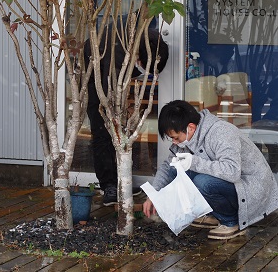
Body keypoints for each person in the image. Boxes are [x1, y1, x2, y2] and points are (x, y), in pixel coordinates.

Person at [143, 100, 278, 240]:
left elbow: (232, 172)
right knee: (175, 169)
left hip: (251, 188)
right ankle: (214, 214)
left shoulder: (221, 132)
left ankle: (231, 222)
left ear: (190, 127)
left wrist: (194, 162)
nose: (175, 143)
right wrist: (153, 194)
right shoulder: (186, 138)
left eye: (176, 138)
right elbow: (168, 166)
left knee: (203, 182)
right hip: (230, 184)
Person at [84, 25, 169, 206]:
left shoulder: (144, 40)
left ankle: (121, 181)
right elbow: (107, 86)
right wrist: (118, 109)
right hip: (96, 83)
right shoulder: (116, 49)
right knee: (102, 134)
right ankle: (109, 186)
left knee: (119, 135)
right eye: (144, 65)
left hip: (111, 79)